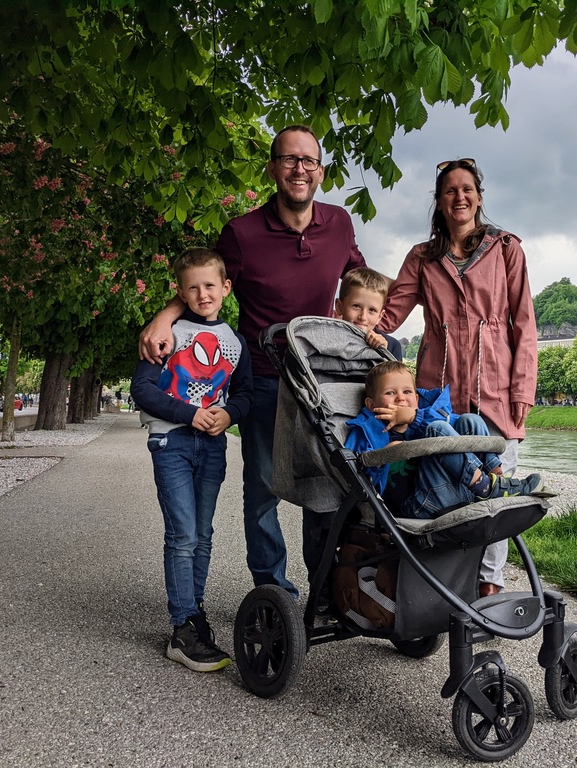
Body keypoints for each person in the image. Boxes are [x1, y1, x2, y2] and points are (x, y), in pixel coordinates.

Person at [139, 126, 365, 599]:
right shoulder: (241, 233)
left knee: (324, 489)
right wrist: (164, 316)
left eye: (308, 161)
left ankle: (325, 588)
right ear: (272, 169)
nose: (298, 169)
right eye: (288, 160)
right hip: (263, 380)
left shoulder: (340, 223)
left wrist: (374, 327)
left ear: (320, 172)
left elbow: (361, 283)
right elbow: (207, 286)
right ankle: (273, 589)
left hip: (320, 384)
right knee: (263, 489)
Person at [378, 158, 538, 597]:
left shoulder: (507, 249)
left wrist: (523, 386)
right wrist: (351, 320)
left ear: (479, 198)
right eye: (450, 190)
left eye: (467, 189)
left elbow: (524, 322)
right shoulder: (422, 257)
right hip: (437, 392)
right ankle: (442, 585)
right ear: (439, 200)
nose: (460, 197)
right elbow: (389, 315)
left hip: (497, 389)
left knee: (493, 490)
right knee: (442, 480)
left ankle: (489, 585)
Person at [131, 248, 253, 672]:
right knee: (182, 534)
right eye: (193, 287)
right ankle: (182, 628)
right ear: (180, 292)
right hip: (172, 443)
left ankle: (194, 611)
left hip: (213, 446)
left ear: (226, 289)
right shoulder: (166, 334)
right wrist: (190, 414)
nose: (203, 293)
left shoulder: (234, 342)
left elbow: (245, 394)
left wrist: (229, 414)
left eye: (210, 285)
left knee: (203, 535)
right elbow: (143, 391)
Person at [344, 361, 541, 519]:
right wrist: (381, 458)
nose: (400, 399)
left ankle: (496, 479)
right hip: (419, 504)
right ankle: (487, 487)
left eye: (407, 392)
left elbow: (448, 420)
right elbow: (353, 472)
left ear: (416, 398)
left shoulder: (421, 419)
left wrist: (414, 418)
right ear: (371, 404)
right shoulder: (366, 431)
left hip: (458, 491)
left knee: (469, 420)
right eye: (390, 393)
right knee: (437, 429)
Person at [334, 267, 403, 360]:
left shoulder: (392, 346)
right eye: (356, 306)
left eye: (372, 310)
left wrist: (383, 353)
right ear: (339, 307)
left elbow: (397, 374)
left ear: (380, 316)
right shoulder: (324, 338)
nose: (363, 317)